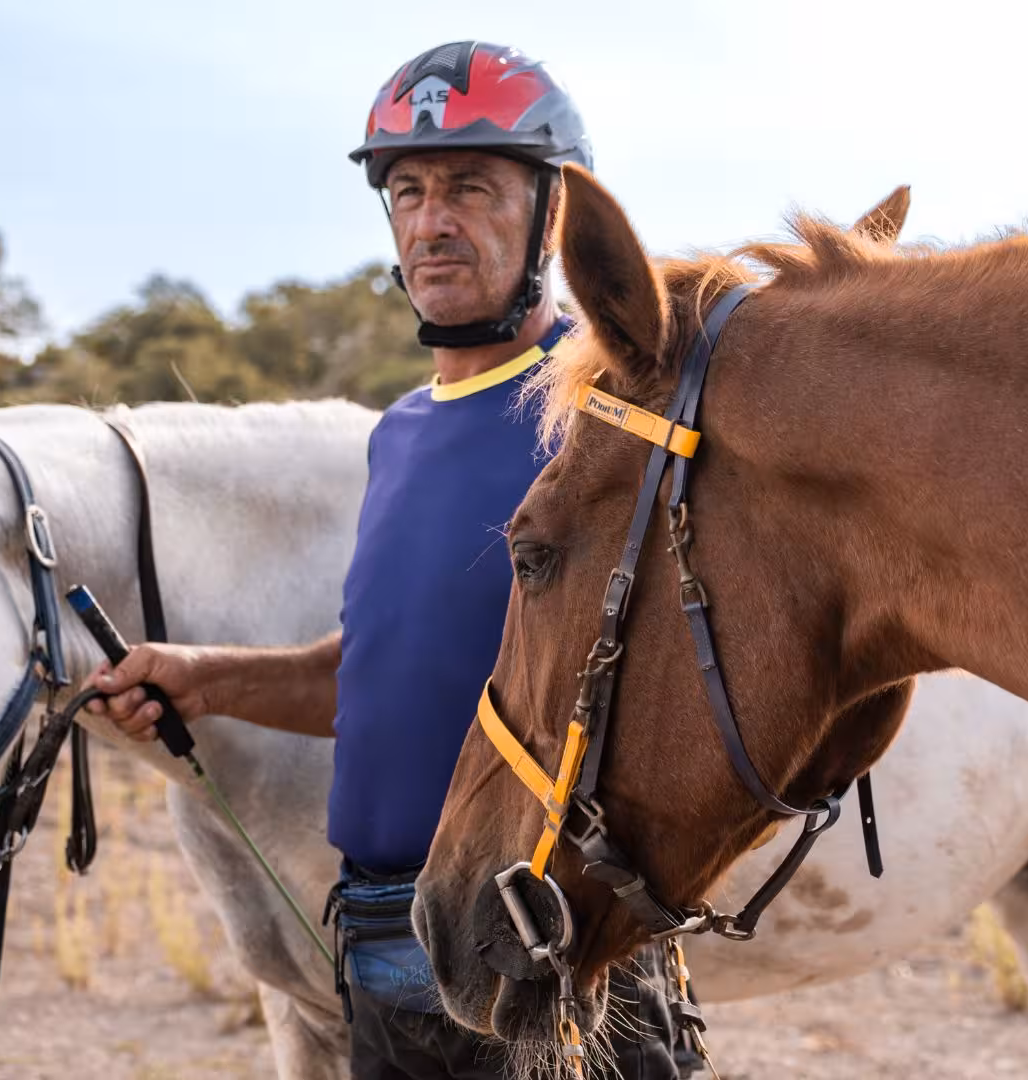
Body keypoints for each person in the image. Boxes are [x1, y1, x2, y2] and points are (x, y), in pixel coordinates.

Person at [87, 40, 692, 1080]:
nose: (431, 220)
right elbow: (367, 680)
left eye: (469, 186)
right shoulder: (399, 431)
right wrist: (206, 676)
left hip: (547, 946)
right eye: (407, 190)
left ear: (553, 212)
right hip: (375, 942)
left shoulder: (603, 405)